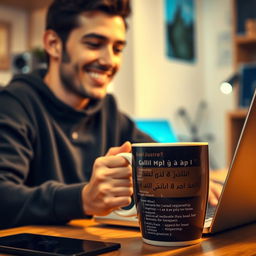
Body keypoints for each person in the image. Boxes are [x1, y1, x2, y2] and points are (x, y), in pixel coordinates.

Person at [0, 0, 221, 229]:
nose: (109, 61)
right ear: (54, 44)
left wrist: (200, 179)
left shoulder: (107, 110)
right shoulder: (14, 104)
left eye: (117, 49)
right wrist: (83, 198)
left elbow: (160, 154)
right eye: (95, 44)